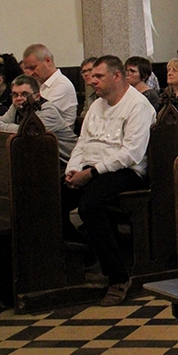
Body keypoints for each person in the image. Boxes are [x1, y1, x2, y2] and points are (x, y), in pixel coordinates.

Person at [63, 55, 155, 306]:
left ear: (117, 76)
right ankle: (86, 253)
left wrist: (91, 173)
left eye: (99, 76)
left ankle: (118, 277)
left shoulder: (138, 106)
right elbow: (82, 142)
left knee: (90, 205)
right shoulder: (96, 105)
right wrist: (72, 170)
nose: (92, 81)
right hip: (90, 168)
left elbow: (131, 153)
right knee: (52, 199)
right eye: (91, 76)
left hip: (126, 172)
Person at [0, 74, 77, 166]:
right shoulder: (17, 107)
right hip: (43, 160)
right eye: (15, 95)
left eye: (24, 94)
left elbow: (27, 131)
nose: (19, 98)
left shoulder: (48, 110)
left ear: (37, 96)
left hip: (67, 162)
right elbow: (2, 120)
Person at [21, 43, 77, 127]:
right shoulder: (38, 84)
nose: (30, 73)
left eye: (33, 67)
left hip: (57, 138)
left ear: (48, 61)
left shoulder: (62, 85)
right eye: (26, 69)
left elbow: (37, 119)